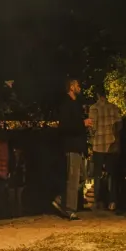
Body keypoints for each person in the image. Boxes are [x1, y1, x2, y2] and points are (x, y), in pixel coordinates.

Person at [53, 78, 91, 220]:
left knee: (81, 177)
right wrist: (82, 123)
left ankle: (61, 200)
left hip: (78, 146)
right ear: (71, 87)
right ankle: (69, 209)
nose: (79, 87)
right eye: (77, 85)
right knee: (73, 178)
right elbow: (65, 126)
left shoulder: (75, 104)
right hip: (71, 145)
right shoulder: (66, 104)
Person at [88, 90, 122, 212]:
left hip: (98, 145)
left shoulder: (93, 108)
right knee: (112, 174)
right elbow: (119, 124)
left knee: (97, 175)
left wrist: (92, 135)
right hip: (111, 145)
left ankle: (97, 202)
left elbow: (92, 127)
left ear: (97, 95)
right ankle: (112, 201)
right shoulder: (114, 108)